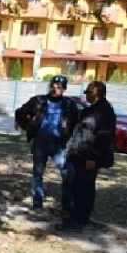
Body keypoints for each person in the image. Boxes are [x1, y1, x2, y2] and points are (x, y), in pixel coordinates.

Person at [14, 75, 79, 212]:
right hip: (40, 142)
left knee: (68, 173)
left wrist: (70, 137)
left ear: (64, 89)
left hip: (59, 144)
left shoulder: (69, 104)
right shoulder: (39, 101)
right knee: (38, 173)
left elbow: (76, 122)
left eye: (59, 87)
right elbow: (20, 112)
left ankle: (67, 206)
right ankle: (37, 202)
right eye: (52, 86)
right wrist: (27, 125)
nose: (55, 89)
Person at [58, 81, 116, 232]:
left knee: (82, 188)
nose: (86, 95)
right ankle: (80, 218)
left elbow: (102, 138)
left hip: (89, 157)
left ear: (97, 94)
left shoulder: (104, 112)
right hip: (80, 155)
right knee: (82, 187)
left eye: (89, 92)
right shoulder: (91, 110)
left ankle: (77, 221)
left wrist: (93, 157)